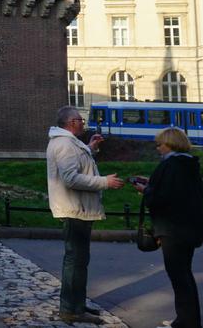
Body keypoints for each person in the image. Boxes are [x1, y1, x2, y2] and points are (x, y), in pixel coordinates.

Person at [47, 106, 124, 325]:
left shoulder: (68, 142)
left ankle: (76, 305)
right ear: (71, 122)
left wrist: (91, 148)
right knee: (75, 262)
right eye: (81, 119)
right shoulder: (64, 144)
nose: (83, 122)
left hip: (78, 208)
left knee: (79, 261)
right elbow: (70, 178)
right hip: (75, 210)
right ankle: (71, 309)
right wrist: (104, 182)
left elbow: (77, 162)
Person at [131, 127, 203, 328]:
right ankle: (188, 320)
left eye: (159, 144)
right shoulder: (188, 164)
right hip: (189, 227)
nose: (157, 148)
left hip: (173, 229)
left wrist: (146, 190)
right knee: (185, 275)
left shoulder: (170, 165)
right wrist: (151, 186)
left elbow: (162, 198)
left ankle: (186, 322)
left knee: (179, 276)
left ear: (170, 144)